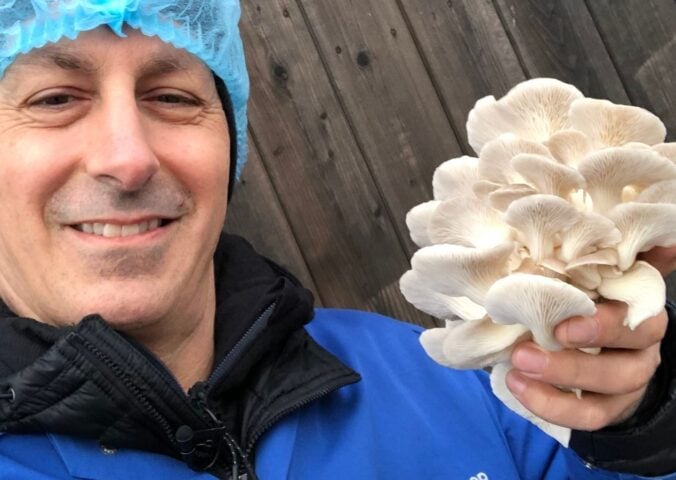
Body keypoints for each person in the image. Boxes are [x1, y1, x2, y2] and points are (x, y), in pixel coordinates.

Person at [0, 1, 674, 479]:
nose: (128, 157)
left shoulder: (435, 376)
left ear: (227, 142)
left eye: (172, 97)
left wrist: (642, 431)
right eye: (54, 98)